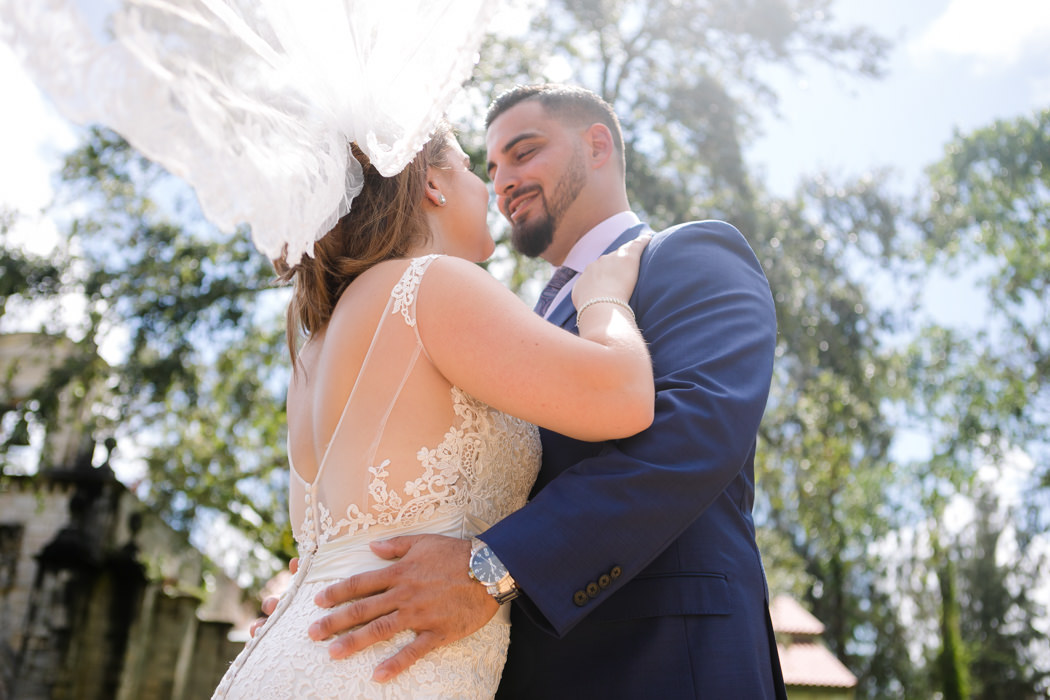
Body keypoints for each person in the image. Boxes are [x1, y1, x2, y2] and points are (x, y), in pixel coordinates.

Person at [306, 84, 788, 698]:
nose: (503, 180)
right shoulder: (498, 320)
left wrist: (495, 569)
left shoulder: (691, 255)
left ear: (597, 145)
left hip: (664, 660)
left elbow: (696, 432)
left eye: (523, 151)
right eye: (490, 166)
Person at [212, 118, 654, 699]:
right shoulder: (429, 284)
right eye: (473, 167)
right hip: (380, 677)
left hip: (294, 661)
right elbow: (621, 396)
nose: (491, 189)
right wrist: (602, 295)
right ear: (432, 185)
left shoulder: (312, 347)